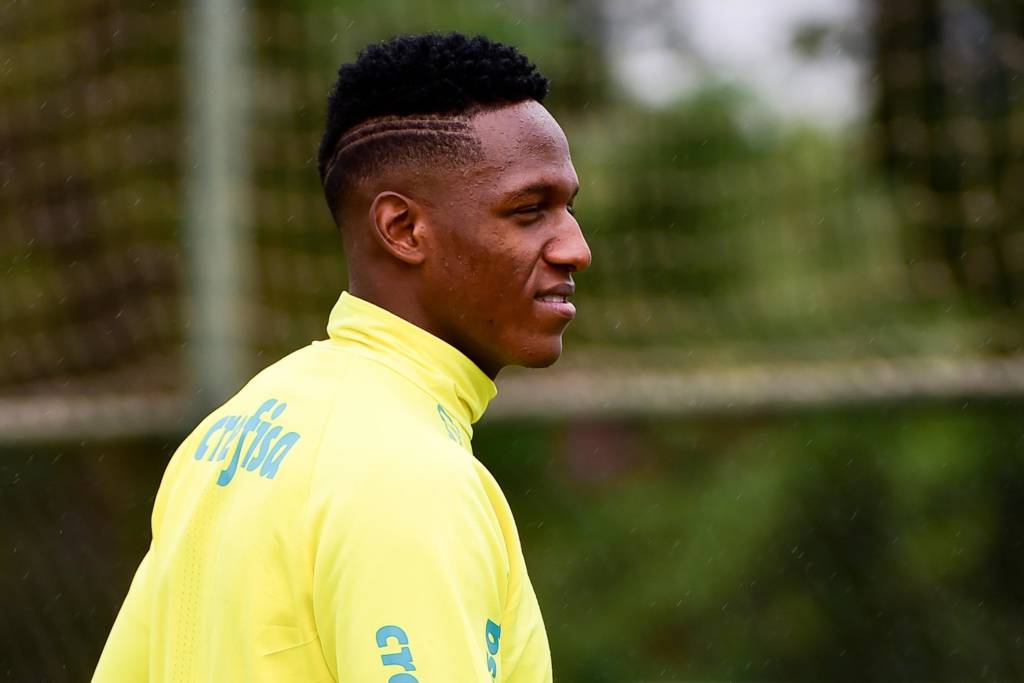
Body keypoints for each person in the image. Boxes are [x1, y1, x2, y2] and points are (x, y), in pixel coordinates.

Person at [94, 31, 591, 682]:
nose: (575, 248)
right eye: (529, 211)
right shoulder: (413, 480)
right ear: (403, 229)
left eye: (568, 209)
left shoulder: (228, 433)